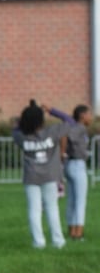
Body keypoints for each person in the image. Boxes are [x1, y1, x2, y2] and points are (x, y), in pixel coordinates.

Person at [12, 100, 68, 249]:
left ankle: (38, 242)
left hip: (31, 176)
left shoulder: (20, 136)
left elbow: (15, 126)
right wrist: (52, 110)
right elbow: (70, 121)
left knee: (34, 209)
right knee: (52, 208)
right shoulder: (52, 131)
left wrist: (25, 117)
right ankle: (58, 241)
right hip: (50, 175)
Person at [45, 103, 91, 241]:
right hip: (77, 164)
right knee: (80, 201)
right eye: (89, 114)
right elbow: (66, 135)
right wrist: (62, 152)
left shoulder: (72, 125)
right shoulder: (80, 127)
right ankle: (78, 233)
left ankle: (71, 230)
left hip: (69, 164)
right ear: (82, 115)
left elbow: (64, 121)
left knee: (71, 199)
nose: (90, 117)